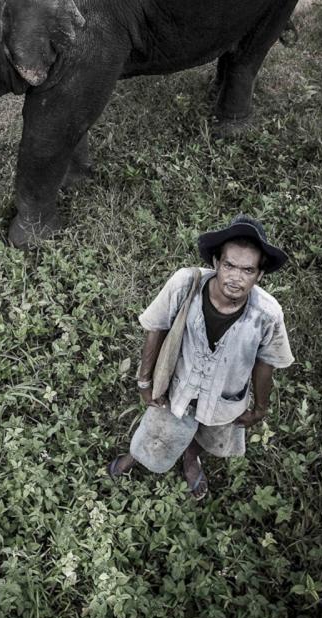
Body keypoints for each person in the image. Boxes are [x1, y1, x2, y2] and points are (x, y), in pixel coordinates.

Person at [107, 214, 293, 500]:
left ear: (259, 275)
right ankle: (136, 457)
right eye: (229, 265)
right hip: (177, 388)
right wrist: (145, 381)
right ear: (216, 263)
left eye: (247, 270)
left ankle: (191, 458)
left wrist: (260, 408)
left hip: (225, 398)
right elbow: (155, 328)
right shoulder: (185, 284)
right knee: (156, 431)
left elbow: (265, 362)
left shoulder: (268, 315)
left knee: (211, 435)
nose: (235, 277)